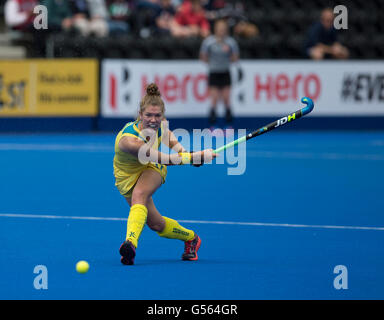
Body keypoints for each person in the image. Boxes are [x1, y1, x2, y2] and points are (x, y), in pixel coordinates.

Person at [115, 83, 217, 265]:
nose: (153, 120)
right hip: (127, 177)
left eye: (157, 115)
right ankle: (191, 238)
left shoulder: (160, 126)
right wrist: (193, 158)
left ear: (162, 116)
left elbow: (169, 138)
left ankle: (130, 244)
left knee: (139, 195)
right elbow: (163, 157)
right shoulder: (128, 141)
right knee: (156, 224)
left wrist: (185, 152)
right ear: (140, 115)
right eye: (148, 115)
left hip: (152, 168)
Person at [199, 18, 239, 130]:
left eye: (223, 29)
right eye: (219, 29)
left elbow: (235, 58)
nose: (221, 31)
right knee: (214, 100)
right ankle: (212, 125)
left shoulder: (231, 42)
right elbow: (203, 56)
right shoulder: (208, 42)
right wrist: (213, 63)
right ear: (215, 30)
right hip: (214, 73)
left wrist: (228, 56)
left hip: (225, 72)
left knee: (226, 99)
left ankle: (229, 125)